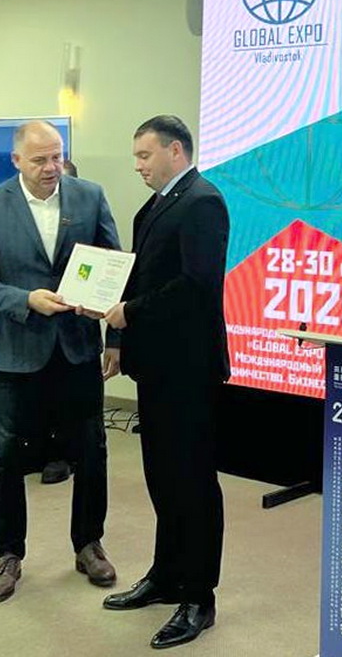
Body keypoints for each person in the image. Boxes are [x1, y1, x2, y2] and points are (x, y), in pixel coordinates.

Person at [0, 121, 122, 603]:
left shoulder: (90, 196)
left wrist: (115, 338)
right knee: (6, 457)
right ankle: (8, 554)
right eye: (39, 160)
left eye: (57, 157)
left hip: (77, 348)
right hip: (17, 352)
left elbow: (116, 270)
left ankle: (89, 544)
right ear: (16, 161)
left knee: (91, 450)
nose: (52, 168)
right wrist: (24, 299)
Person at [101, 115, 228, 650]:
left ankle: (199, 596)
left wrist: (130, 313)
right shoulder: (154, 206)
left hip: (189, 370)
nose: (138, 166)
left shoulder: (203, 201)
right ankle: (166, 574)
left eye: (145, 155)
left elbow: (197, 286)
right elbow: (137, 276)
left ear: (176, 151)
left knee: (193, 482)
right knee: (162, 477)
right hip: (155, 366)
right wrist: (118, 337)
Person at [39, 158, 78, 487]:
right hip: (28, 329)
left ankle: (62, 456)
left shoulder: (87, 209)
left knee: (68, 403)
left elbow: (113, 263)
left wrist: (115, 338)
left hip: (75, 330)